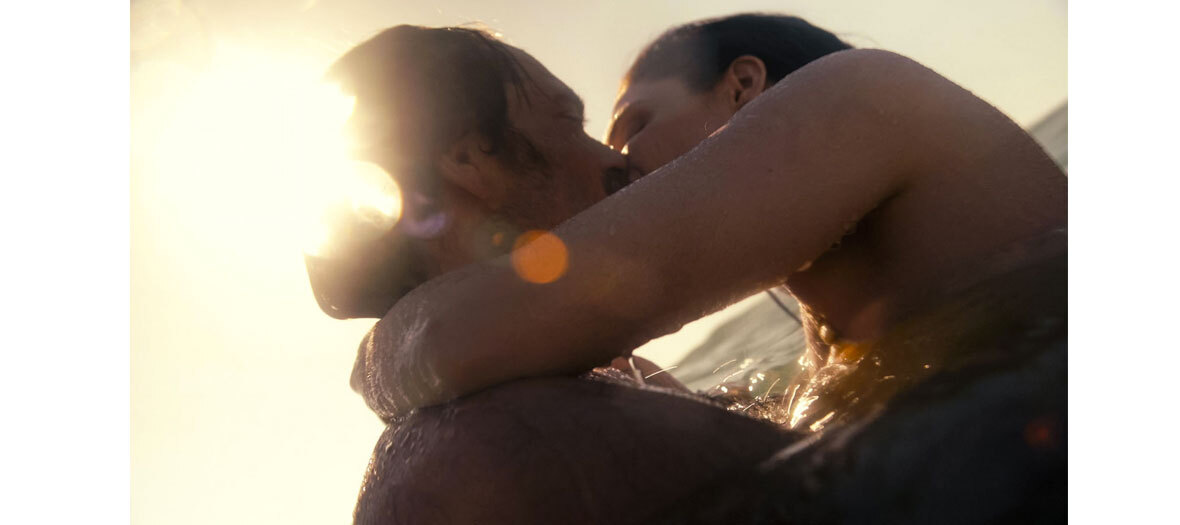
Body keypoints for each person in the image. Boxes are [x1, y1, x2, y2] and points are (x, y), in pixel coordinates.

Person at [350, 14, 1067, 433]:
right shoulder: (838, 338)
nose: (616, 161)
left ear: (744, 85)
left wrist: (378, 361)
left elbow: (454, 338)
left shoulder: (862, 96)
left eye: (635, 124)